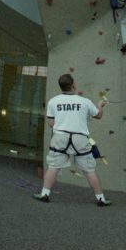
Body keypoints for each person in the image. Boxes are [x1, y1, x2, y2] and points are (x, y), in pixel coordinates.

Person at [34, 73, 110, 205]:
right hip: (80, 138)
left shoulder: (53, 101)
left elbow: (51, 124)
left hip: (60, 137)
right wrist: (100, 106)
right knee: (89, 170)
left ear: (61, 87)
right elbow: (98, 115)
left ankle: (44, 194)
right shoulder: (85, 101)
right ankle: (101, 199)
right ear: (73, 85)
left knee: (53, 167)